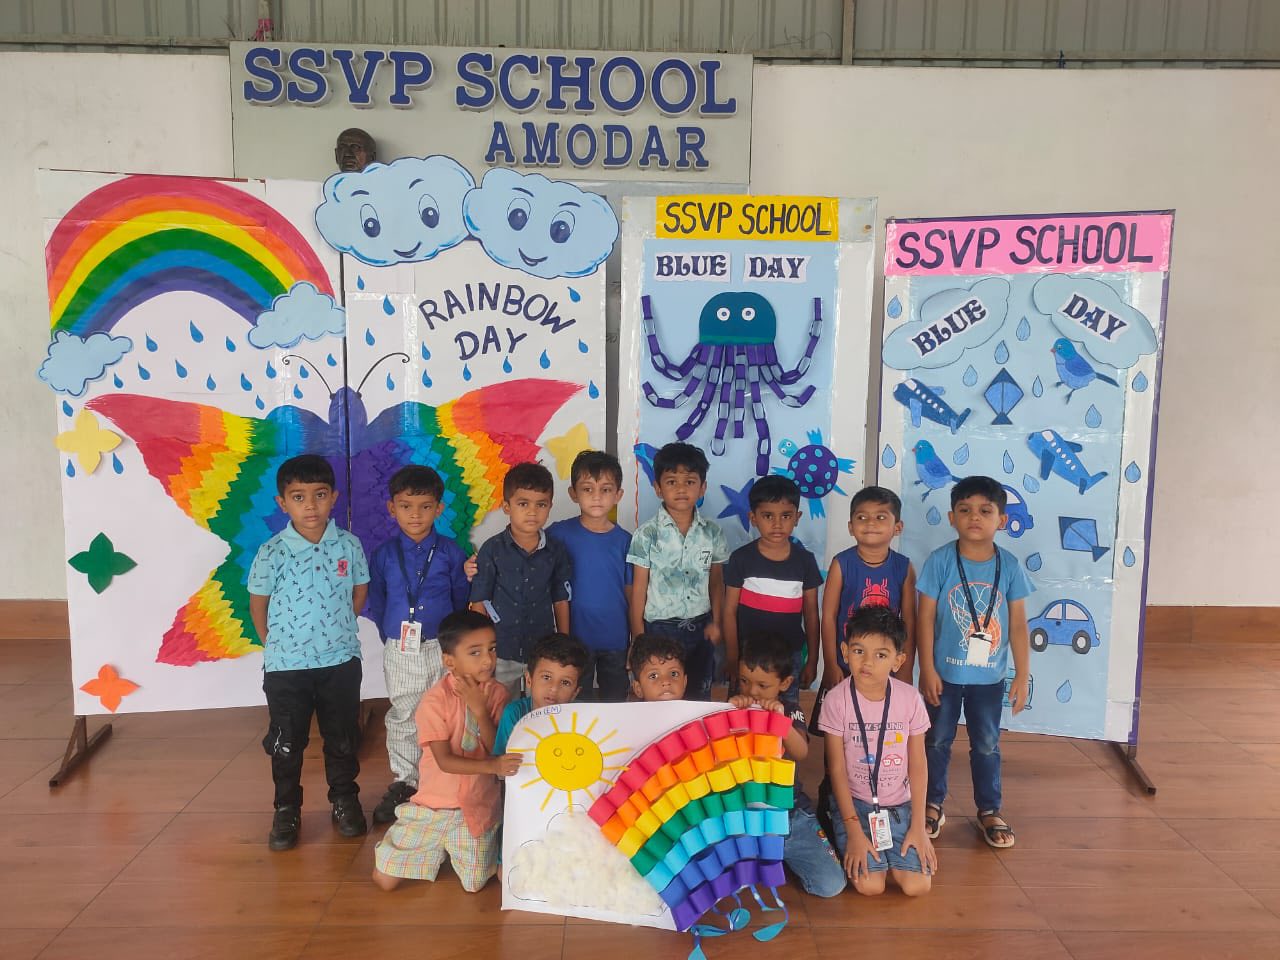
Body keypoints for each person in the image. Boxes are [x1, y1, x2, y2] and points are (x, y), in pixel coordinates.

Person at [247, 454, 370, 852]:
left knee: (342, 737)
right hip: (286, 666)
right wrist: (276, 646)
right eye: (299, 497)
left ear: (333, 497)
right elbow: (258, 605)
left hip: (340, 662)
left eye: (319, 495)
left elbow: (359, 592)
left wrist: (336, 630)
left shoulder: (349, 545)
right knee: (287, 741)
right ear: (283, 503)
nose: (310, 505)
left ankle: (344, 799)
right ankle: (286, 808)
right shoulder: (272, 552)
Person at [916, 476, 1033, 849]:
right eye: (965, 510)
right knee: (936, 741)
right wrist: (927, 669)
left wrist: (1022, 674)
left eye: (985, 510)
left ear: (1002, 520)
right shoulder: (940, 561)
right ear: (952, 517)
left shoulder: (1009, 566)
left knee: (986, 744)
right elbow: (924, 619)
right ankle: (931, 804)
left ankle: (989, 810)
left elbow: (1018, 625)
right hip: (943, 676)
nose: (974, 517)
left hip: (989, 679)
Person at [371, 610, 522, 892]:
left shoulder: (498, 694)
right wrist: (493, 767)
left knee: (475, 883)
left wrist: (479, 710)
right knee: (385, 880)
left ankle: (450, 847)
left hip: (476, 808)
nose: (488, 660)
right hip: (433, 807)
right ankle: (425, 843)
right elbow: (445, 761)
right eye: (475, 652)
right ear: (449, 661)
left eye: (492, 649)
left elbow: (496, 748)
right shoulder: (435, 701)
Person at [365, 465, 471, 825]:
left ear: (439, 509)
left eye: (425, 506)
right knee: (405, 713)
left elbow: (460, 598)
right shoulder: (383, 555)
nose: (415, 515)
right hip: (402, 648)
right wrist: (391, 637)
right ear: (392, 508)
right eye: (406, 506)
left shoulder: (451, 553)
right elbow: (378, 600)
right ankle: (406, 781)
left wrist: (452, 645)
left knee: (447, 711)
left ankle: (444, 777)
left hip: (443, 647)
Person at [819, 607, 935, 896]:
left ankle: (894, 843)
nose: (867, 662)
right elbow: (836, 769)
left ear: (898, 661)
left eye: (881, 655)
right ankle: (837, 826)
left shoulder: (910, 699)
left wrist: (918, 826)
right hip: (855, 805)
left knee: (917, 886)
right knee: (871, 886)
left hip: (899, 807)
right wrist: (853, 831)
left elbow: (918, 764)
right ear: (845, 652)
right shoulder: (836, 700)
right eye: (859, 651)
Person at [730, 632, 846, 897]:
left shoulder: (790, 709)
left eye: (763, 685)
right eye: (744, 681)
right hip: (743, 816)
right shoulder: (734, 709)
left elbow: (801, 751)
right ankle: (765, 856)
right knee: (722, 873)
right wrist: (729, 715)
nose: (752, 692)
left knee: (831, 885)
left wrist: (778, 722)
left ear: (785, 683)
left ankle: (778, 854)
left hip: (789, 814)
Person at [626, 442, 728, 700]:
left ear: (702, 487)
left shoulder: (713, 533)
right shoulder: (646, 534)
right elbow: (639, 588)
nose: (681, 489)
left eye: (690, 482)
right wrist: (638, 638)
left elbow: (716, 583)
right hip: (658, 630)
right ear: (658, 488)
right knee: (661, 696)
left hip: (701, 627)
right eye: (671, 482)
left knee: (698, 694)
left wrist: (717, 622)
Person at [469, 462, 572, 694]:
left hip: (543, 650)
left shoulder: (556, 550)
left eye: (541, 504)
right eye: (523, 504)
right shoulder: (492, 549)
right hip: (501, 650)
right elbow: (479, 602)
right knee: (502, 705)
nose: (532, 512)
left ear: (550, 506)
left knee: (541, 706)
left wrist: (563, 642)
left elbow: (561, 599)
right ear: (507, 506)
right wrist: (480, 650)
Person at [723, 475, 822, 706]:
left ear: (797, 518)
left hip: (789, 658)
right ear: (753, 518)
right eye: (768, 516)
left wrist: (812, 660)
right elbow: (729, 611)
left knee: (785, 713)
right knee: (741, 711)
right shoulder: (741, 559)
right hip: (748, 658)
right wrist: (732, 656)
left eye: (785, 516)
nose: (777, 524)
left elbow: (810, 614)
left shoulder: (805, 561)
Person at [547, 451, 632, 702]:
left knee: (615, 704)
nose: (596, 496)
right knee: (576, 703)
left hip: (616, 640)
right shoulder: (558, 534)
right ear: (573, 493)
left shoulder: (626, 541)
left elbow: (632, 593)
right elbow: (530, 559)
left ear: (618, 495)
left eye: (605, 489)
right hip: (574, 640)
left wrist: (636, 638)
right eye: (587, 489)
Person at [821, 486, 917, 689]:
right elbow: (829, 616)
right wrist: (830, 664)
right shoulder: (841, 564)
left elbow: (909, 621)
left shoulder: (904, 567)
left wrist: (906, 669)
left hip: (885, 666)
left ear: (898, 527)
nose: (870, 523)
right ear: (850, 527)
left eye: (880, 517)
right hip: (846, 664)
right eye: (862, 517)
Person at [493, 632, 589, 755]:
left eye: (565, 682)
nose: (554, 688)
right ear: (529, 680)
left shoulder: (582, 717)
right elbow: (500, 760)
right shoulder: (514, 713)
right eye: (546, 677)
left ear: (575, 692)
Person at [628, 633, 688, 702]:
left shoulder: (695, 709)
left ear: (684, 682)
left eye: (673, 674)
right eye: (653, 676)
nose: (666, 682)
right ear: (638, 689)